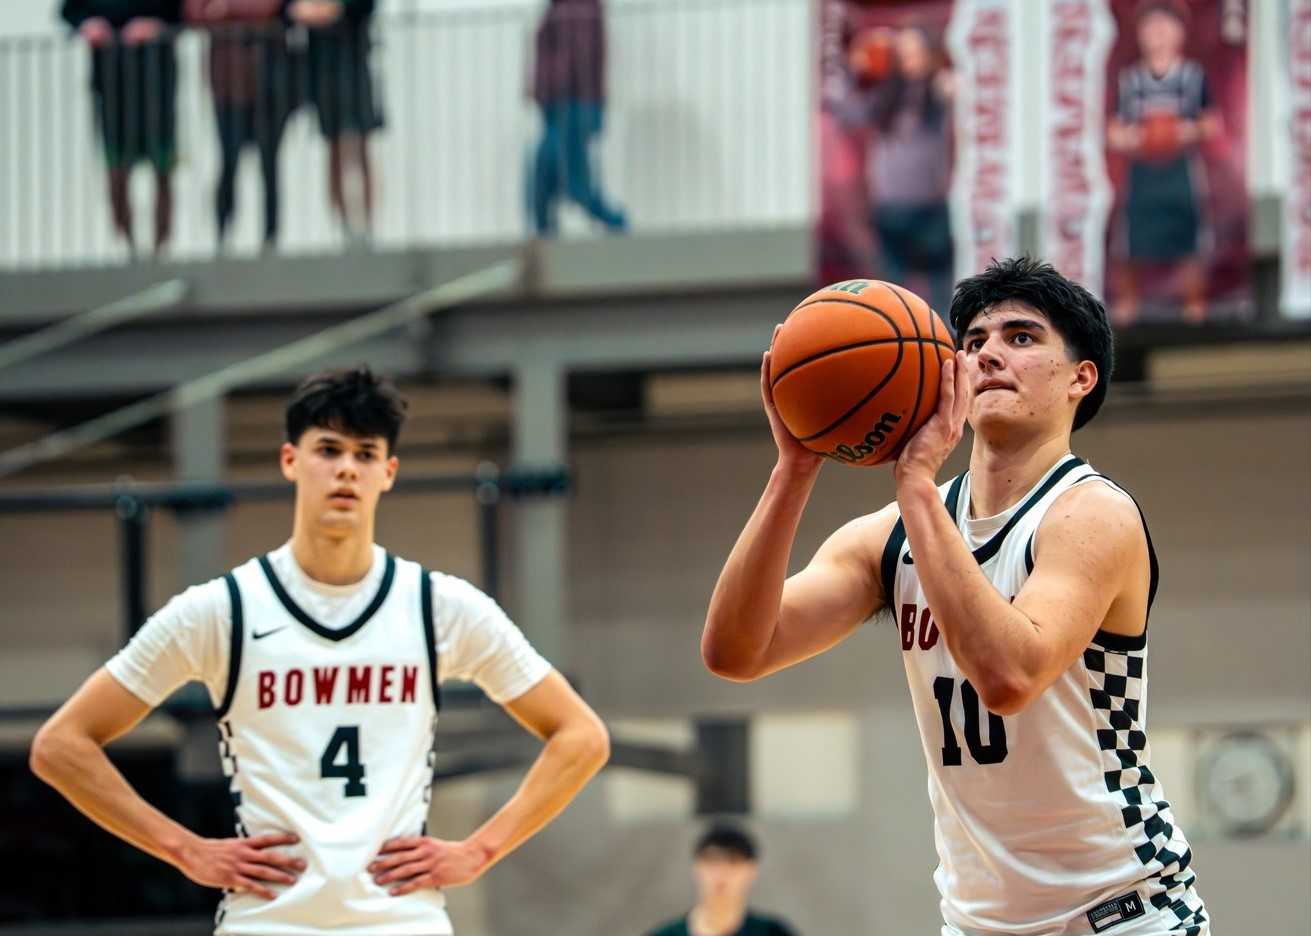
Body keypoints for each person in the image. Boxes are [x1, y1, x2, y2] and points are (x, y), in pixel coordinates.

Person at [702, 258, 1208, 935]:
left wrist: (914, 484)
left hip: (1122, 912)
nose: (988, 353)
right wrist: (793, 469)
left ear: (1080, 379)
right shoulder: (890, 536)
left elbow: (1009, 676)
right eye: (972, 342)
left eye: (1021, 337)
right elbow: (737, 651)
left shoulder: (1090, 514)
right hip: (977, 922)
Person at [30, 366, 610, 936]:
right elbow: (60, 745)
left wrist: (480, 850)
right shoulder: (222, 609)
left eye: (365, 454)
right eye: (328, 450)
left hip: (399, 921)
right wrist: (185, 849)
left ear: (388, 472)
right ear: (290, 460)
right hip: (270, 921)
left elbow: (582, 736)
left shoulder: (439, 606)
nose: (346, 469)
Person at [1107, 0, 1220, 326]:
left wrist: (1179, 131)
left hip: (1180, 168)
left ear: (1180, 33)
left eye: (1165, 25)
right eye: (1150, 26)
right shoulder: (1131, 80)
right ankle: (1128, 302)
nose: (1157, 32)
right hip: (1142, 171)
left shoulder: (1192, 76)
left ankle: (1194, 302)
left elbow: (1211, 123)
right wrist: (1138, 137)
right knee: (1131, 238)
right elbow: (1113, 130)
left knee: (1189, 235)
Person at [61, 0, 183, 257]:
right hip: (111, 86)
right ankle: (128, 249)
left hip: (157, 86)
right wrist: (88, 25)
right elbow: (70, 11)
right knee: (117, 171)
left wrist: (156, 26)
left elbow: (183, 13)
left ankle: (159, 251)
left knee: (162, 169)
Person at [185, 0, 301, 252]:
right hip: (226, 84)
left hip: (269, 85)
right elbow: (195, 12)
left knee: (269, 164)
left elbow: (271, 6)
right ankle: (222, 236)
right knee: (229, 162)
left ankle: (270, 238)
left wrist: (226, 8)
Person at [859, 25, 956, 317]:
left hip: (929, 205)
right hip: (890, 207)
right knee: (891, 295)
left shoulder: (937, 91)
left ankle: (943, 336)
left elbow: (958, 92)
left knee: (940, 292)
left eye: (916, 52)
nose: (910, 60)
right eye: (903, 54)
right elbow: (850, 111)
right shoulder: (885, 96)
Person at [529, 0, 627, 237]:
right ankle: (545, 229)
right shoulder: (562, 8)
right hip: (560, 104)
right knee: (554, 173)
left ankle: (615, 221)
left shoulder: (579, 8)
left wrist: (555, 90)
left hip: (572, 103)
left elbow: (580, 56)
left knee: (569, 178)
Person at [291, 0, 382, 245]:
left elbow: (366, 5)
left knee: (362, 146)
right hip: (322, 66)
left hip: (354, 58)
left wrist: (334, 9)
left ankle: (368, 226)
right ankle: (344, 228)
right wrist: (302, 11)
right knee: (333, 148)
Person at [647, 825, 797, 936]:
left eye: (733, 861)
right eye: (712, 861)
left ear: (751, 870)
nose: (721, 872)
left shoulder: (773, 932)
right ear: (697, 867)